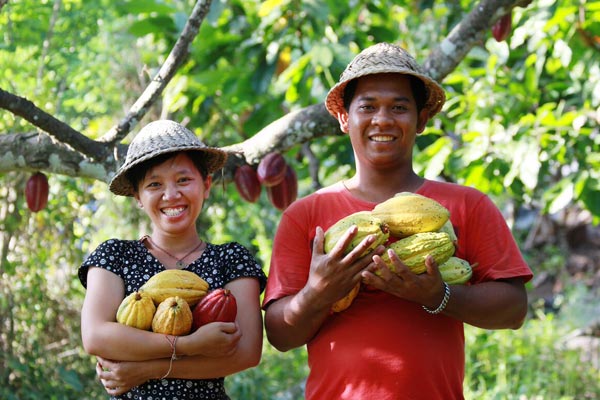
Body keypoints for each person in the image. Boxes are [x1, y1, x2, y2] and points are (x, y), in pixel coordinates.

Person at [262, 42, 533, 399]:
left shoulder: (466, 205)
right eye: (368, 107)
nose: (383, 119)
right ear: (345, 118)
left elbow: (513, 310)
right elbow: (280, 337)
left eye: (399, 107)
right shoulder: (306, 216)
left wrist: (439, 295)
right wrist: (318, 293)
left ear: (421, 119)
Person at [79, 119, 267, 399]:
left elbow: (247, 352)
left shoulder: (231, 259)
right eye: (154, 184)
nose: (171, 195)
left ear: (206, 185)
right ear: (138, 197)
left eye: (183, 180)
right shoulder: (114, 256)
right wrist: (190, 345)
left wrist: (145, 369)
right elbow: (96, 336)